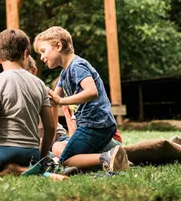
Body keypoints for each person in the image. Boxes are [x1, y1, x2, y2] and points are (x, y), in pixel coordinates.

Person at [34, 26, 129, 173]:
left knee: (65, 159)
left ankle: (107, 157)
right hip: (96, 125)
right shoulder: (65, 72)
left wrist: (61, 101)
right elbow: (52, 96)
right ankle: (109, 160)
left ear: (58, 45)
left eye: (43, 51)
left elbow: (92, 92)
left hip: (94, 124)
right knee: (59, 148)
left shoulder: (77, 66)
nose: (41, 57)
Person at [0, 29, 58, 177]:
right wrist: (41, 156)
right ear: (26, 54)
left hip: (2, 152)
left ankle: (12, 168)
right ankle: (25, 169)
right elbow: (51, 127)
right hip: (31, 153)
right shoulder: (39, 84)